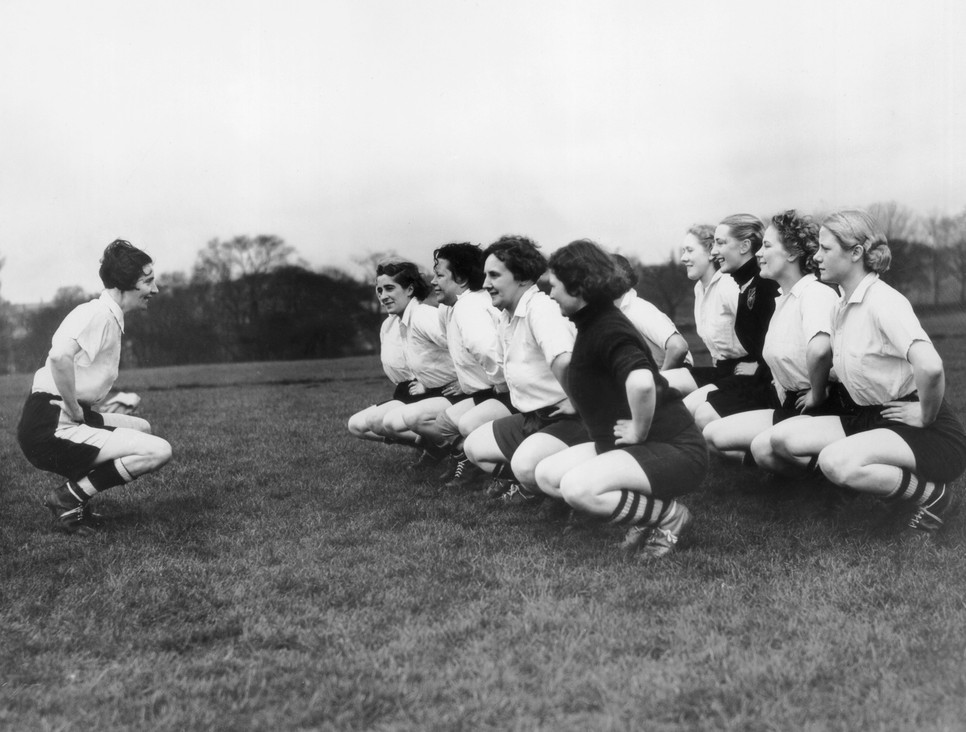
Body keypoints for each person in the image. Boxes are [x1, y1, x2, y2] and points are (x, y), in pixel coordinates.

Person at [755, 210, 966, 532]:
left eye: (826, 249)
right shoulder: (842, 303)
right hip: (870, 416)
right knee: (781, 439)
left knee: (836, 461)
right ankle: (864, 489)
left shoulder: (883, 302)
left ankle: (933, 497)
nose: (816, 256)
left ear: (856, 253)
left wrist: (925, 413)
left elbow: (931, 366)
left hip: (925, 432)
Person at [533, 240, 708, 557]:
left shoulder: (608, 328)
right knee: (547, 475)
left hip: (673, 449)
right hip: (636, 446)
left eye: (555, 285)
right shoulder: (592, 322)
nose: (550, 292)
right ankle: (646, 513)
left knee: (577, 488)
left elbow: (642, 382)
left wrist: (638, 430)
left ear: (578, 288)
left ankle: (670, 516)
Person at [17, 239, 173, 535]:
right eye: (148, 280)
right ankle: (69, 498)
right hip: (48, 428)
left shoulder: (109, 315)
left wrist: (101, 404)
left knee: (142, 428)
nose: (155, 289)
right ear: (125, 283)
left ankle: (74, 496)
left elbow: (76, 373)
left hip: (57, 417)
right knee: (159, 451)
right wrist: (76, 408)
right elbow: (59, 357)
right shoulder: (97, 314)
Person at [702, 211, 838, 462]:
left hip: (822, 406)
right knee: (712, 435)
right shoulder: (782, 300)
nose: (758, 254)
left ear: (792, 253)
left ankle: (825, 471)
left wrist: (817, 394)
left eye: (766, 246)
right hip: (791, 404)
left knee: (764, 449)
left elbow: (820, 350)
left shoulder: (815, 294)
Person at [462, 235, 585, 500]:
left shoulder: (541, 309)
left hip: (569, 419)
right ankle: (532, 487)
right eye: (485, 276)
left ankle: (564, 488)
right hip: (533, 418)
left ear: (522, 277)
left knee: (525, 465)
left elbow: (566, 360)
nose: (485, 284)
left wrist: (578, 402)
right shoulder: (507, 315)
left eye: (494, 275)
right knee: (474, 448)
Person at [394, 243, 511, 487]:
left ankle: (506, 474)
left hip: (502, 393)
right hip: (488, 391)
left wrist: (501, 386)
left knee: (461, 425)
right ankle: (469, 461)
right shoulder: (460, 304)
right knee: (445, 424)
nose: (433, 281)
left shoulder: (469, 307)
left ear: (462, 278)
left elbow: (486, 349)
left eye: (439, 275)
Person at [348, 260, 458, 458]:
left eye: (389, 288)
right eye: (379, 290)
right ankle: (433, 448)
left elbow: (461, 346)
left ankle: (454, 451)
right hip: (415, 390)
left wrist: (463, 379)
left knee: (390, 421)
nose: (383, 296)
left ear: (409, 290)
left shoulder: (424, 316)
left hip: (448, 391)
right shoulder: (390, 324)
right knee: (358, 425)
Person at [688, 214, 780, 429]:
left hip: (769, 384)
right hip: (755, 377)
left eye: (720, 243)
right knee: (695, 409)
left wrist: (759, 367)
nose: (713, 252)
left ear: (744, 246)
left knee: (704, 417)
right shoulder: (745, 285)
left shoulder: (765, 286)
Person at [663, 224, 748, 396]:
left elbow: (764, 327)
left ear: (711, 252)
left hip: (745, 373)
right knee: (661, 381)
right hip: (722, 371)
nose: (683, 258)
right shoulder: (699, 289)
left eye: (689, 250)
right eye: (683, 251)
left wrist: (759, 365)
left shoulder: (728, 285)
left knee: (690, 406)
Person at [611, 254, 692, 370]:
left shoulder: (637, 309)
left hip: (679, 375)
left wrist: (661, 382)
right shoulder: (618, 314)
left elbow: (678, 347)